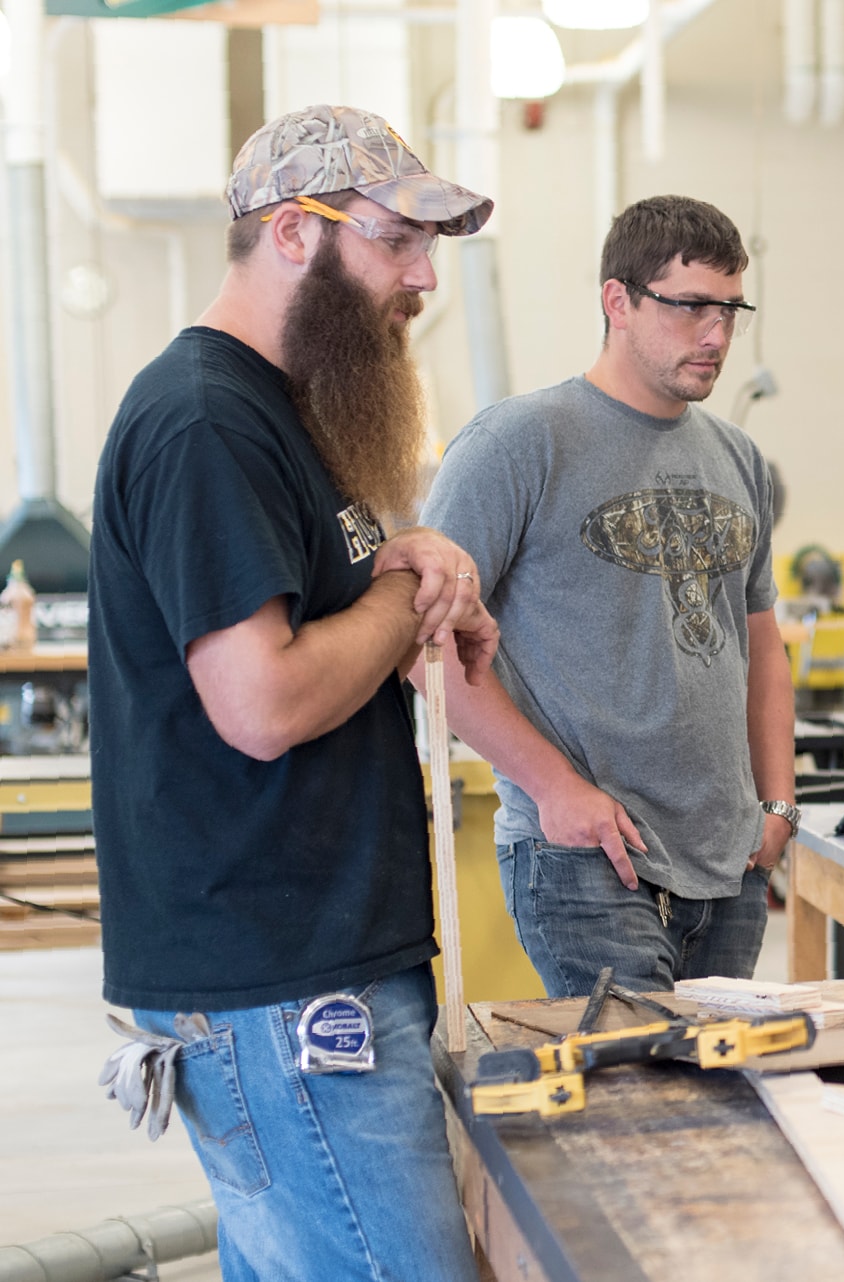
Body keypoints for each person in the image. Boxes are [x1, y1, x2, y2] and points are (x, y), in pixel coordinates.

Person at [90, 105, 498, 1279]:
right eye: (395, 241)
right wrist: (400, 596)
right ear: (288, 233)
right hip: (283, 985)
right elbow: (260, 703)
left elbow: (338, 608)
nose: (422, 277)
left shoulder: (289, 411)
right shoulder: (206, 422)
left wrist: (407, 567)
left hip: (319, 962)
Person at [418, 195, 793, 997]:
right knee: (634, 1107)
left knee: (709, 1104)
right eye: (691, 306)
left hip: (727, 868)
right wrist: (555, 789)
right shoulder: (520, 444)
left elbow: (763, 647)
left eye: (731, 309)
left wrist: (778, 806)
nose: (718, 335)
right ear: (616, 300)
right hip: (588, 858)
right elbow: (423, 647)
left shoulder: (740, 459)